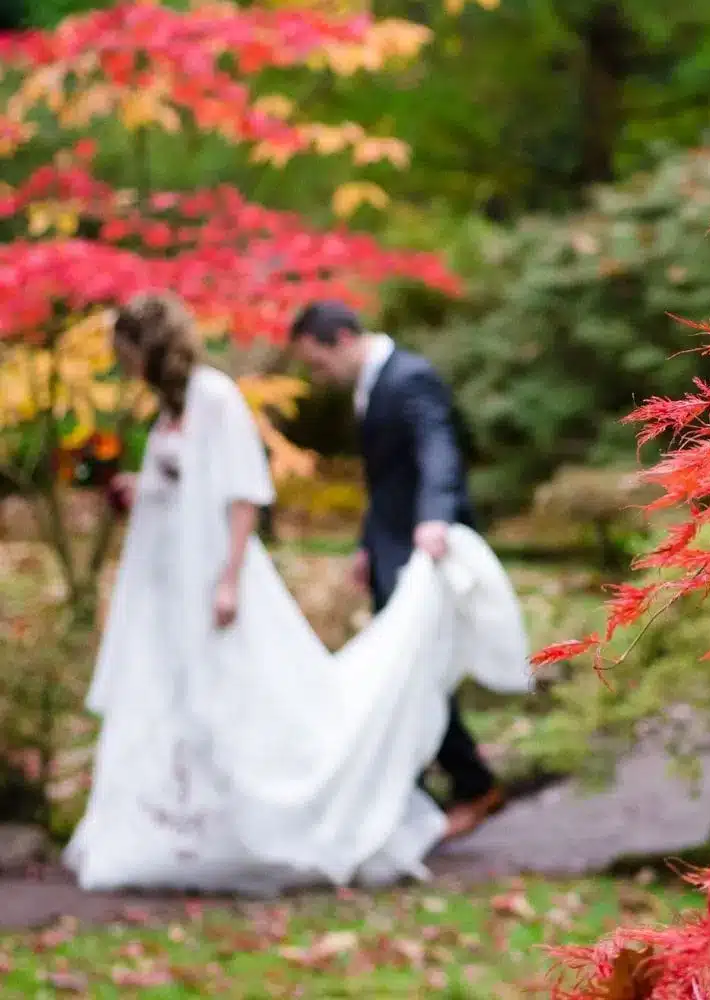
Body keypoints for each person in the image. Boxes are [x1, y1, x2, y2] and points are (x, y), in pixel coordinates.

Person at [66, 291, 531, 894]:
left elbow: (245, 491)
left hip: (219, 574)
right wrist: (140, 485)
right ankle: (188, 826)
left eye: (125, 352)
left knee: (258, 696)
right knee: (180, 697)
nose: (121, 364)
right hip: (170, 582)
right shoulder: (170, 406)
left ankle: (439, 789)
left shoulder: (220, 395)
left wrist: (230, 579)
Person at [288, 301, 505, 840]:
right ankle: (422, 791)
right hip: (390, 549)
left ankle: (471, 784)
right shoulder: (371, 384)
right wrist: (367, 545)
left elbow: (438, 451)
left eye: (317, 362)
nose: (320, 376)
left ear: (340, 338)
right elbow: (384, 479)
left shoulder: (410, 377)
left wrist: (434, 519)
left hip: (421, 550)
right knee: (406, 669)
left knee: (418, 667)